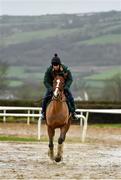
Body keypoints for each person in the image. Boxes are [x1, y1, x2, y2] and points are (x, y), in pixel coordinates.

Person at [41, 53, 78, 121]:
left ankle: (73, 112)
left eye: (56, 65)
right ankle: (43, 113)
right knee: (45, 99)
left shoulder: (65, 69)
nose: (55, 67)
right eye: (54, 65)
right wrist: (51, 89)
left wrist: (66, 87)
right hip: (52, 88)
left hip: (63, 87)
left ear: (59, 64)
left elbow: (70, 79)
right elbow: (45, 81)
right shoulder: (49, 70)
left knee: (70, 98)